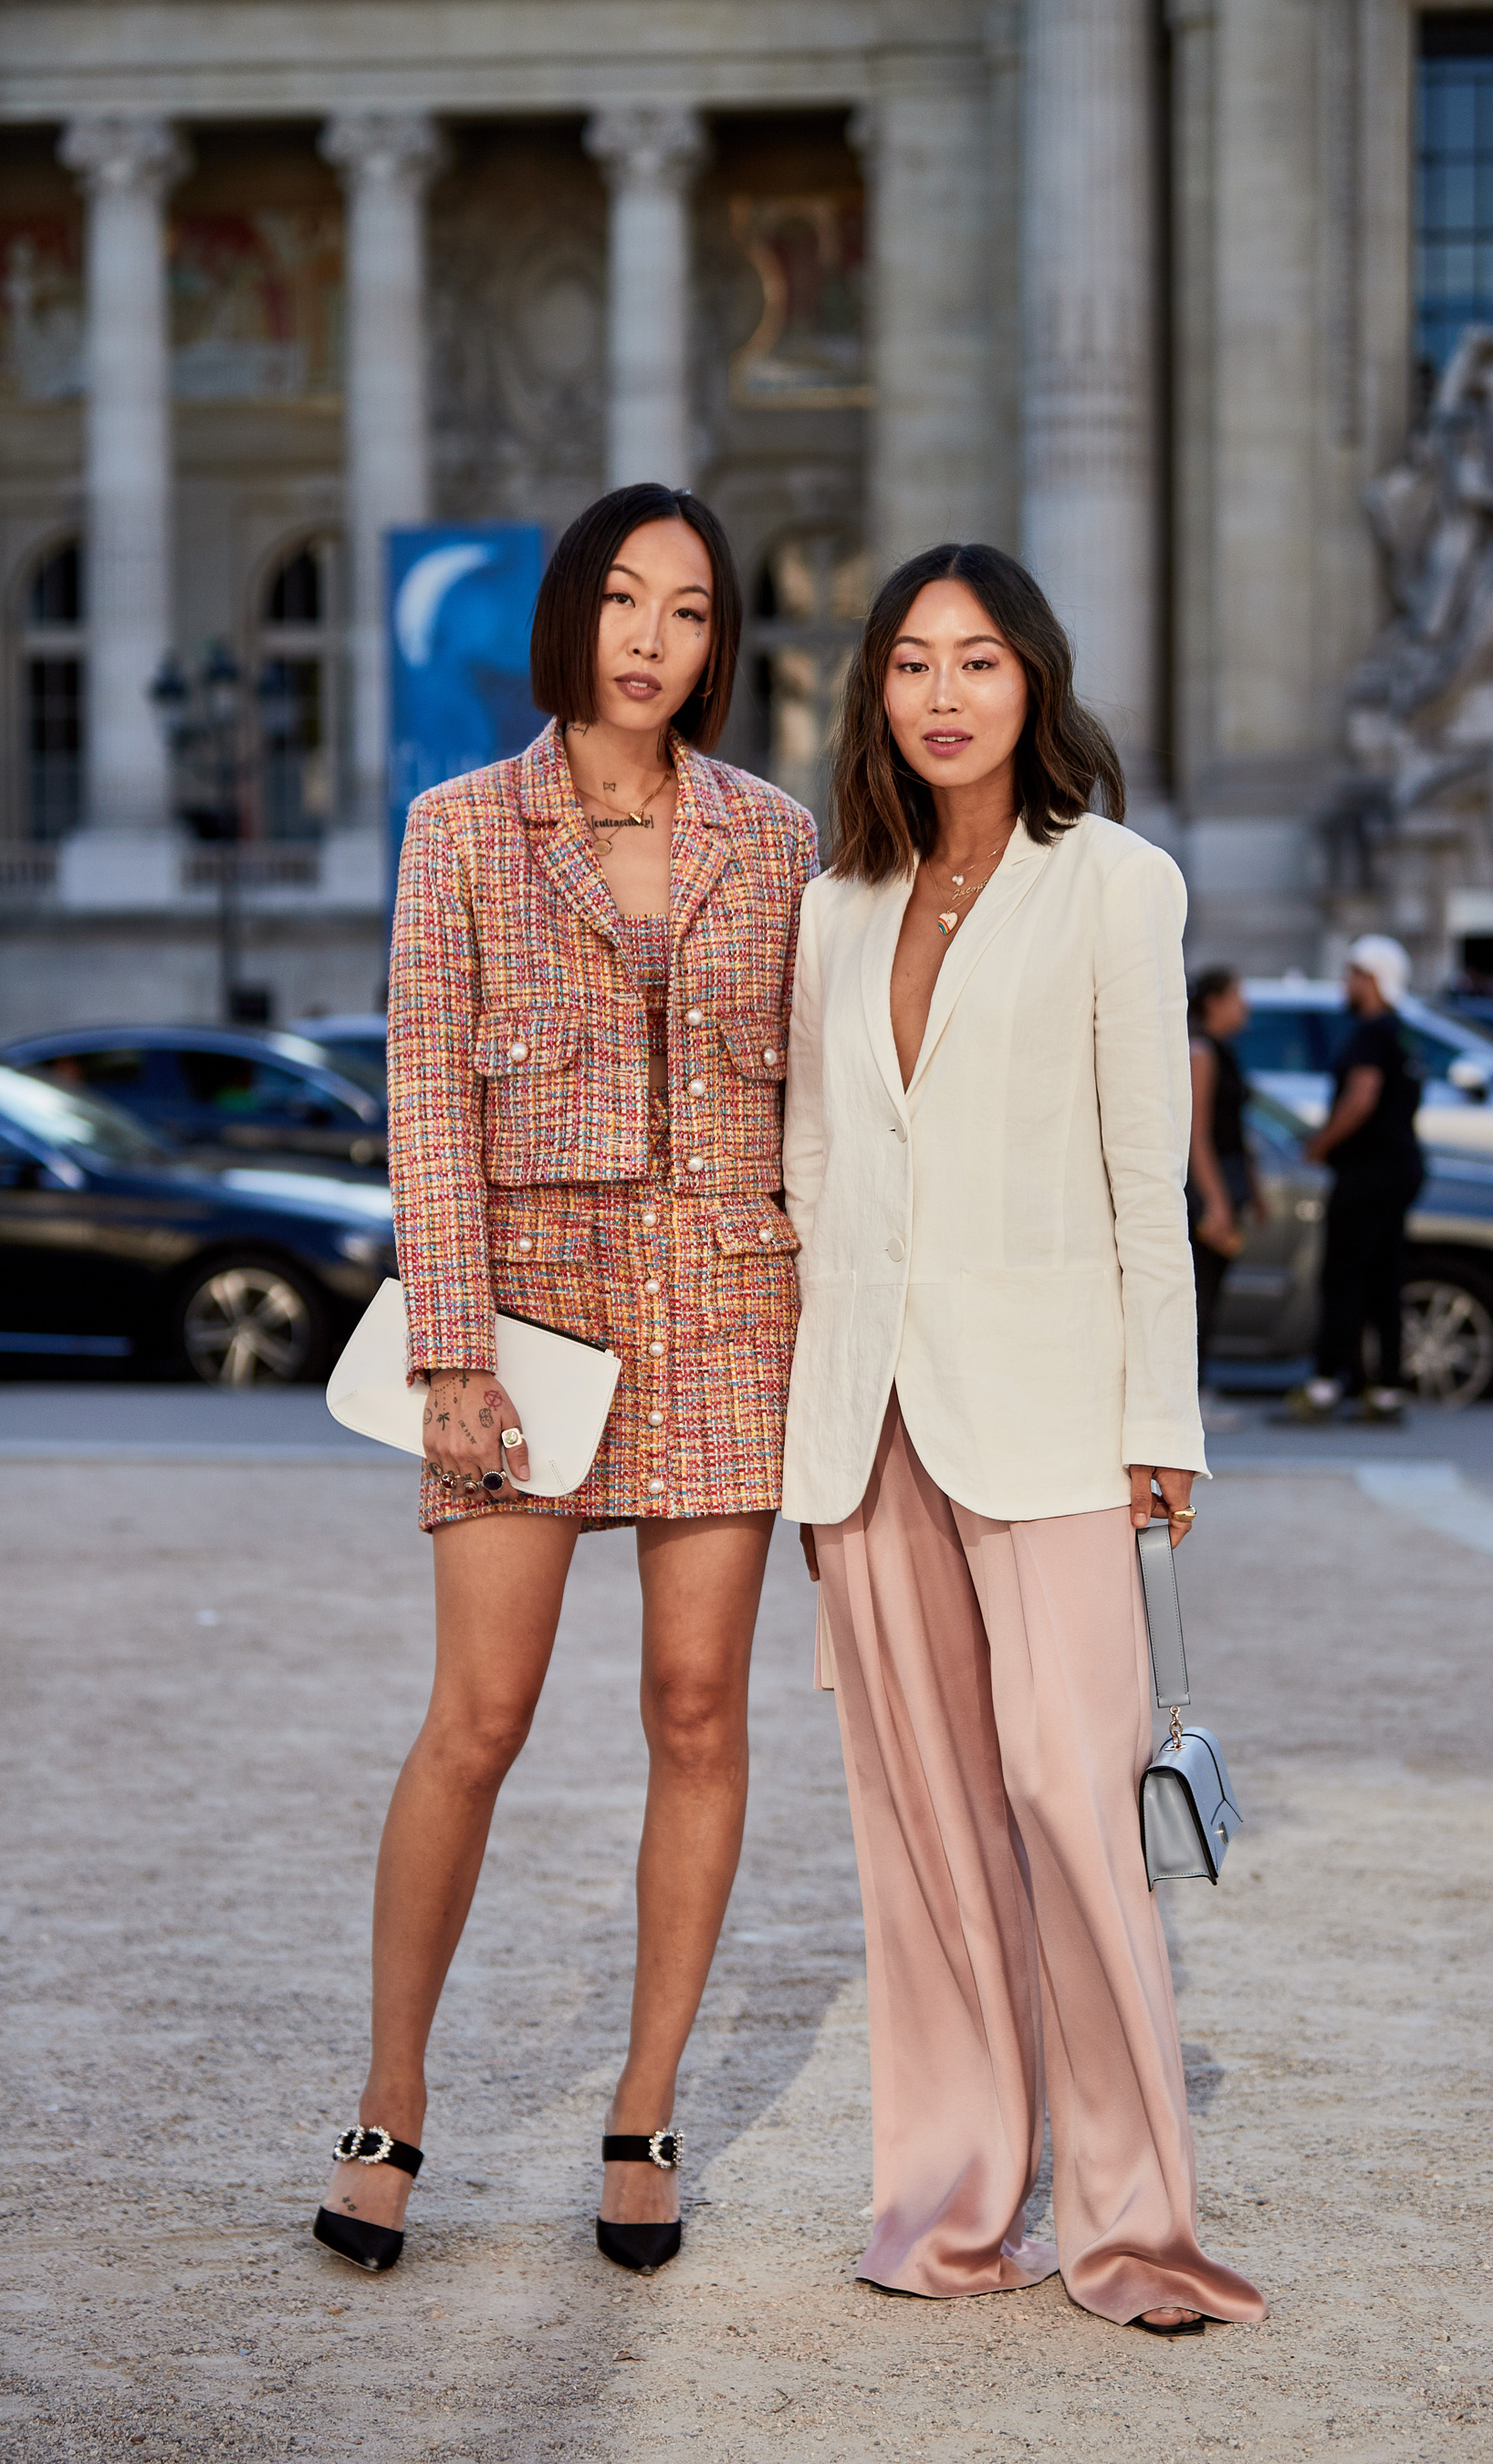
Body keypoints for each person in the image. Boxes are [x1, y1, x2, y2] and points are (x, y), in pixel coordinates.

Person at [313, 483, 816, 2278]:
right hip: (524, 1316)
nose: (651, 640)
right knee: (481, 1718)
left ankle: (645, 2108)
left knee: (698, 1712)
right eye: (623, 600)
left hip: (730, 1314)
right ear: (570, 617)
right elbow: (426, 1102)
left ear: (719, 645)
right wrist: (449, 1347)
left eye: (689, 612)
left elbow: (814, 1112)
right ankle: (391, 2106)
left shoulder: (776, 840)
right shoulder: (457, 827)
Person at [780, 542, 1267, 2335]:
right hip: (869, 1428)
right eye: (912, 662)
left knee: (1072, 1808)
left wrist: (1165, 1420)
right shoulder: (843, 897)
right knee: (923, 1837)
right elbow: (820, 1169)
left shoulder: (1118, 885)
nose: (944, 694)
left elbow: (1153, 1170)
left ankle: (1134, 2223)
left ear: (1035, 682)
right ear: (878, 694)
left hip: (1057, 1414)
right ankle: (954, 2196)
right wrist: (808, 1442)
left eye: (978, 661)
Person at [1286, 935, 1424, 1425]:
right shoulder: (1401, 1032)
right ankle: (1386, 1387)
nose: (1346, 984)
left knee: (1342, 1276)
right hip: (1398, 1171)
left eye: (1353, 974)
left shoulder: (1371, 1033)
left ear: (1374, 979)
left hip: (1367, 1173)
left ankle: (1327, 1383)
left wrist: (1321, 1144)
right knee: (1384, 1279)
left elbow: (1361, 1098)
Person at [1187, 967, 1266, 1432]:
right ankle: (1191, 1394)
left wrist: (1253, 1191)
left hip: (1230, 1184)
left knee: (1213, 1293)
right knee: (1200, 1295)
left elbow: (1239, 1132)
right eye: (1238, 996)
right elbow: (1198, 1135)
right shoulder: (1201, 1052)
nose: (1245, 1006)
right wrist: (1215, 1201)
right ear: (1215, 1001)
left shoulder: (1227, 1052)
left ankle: (1201, 1388)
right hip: (1208, 1188)